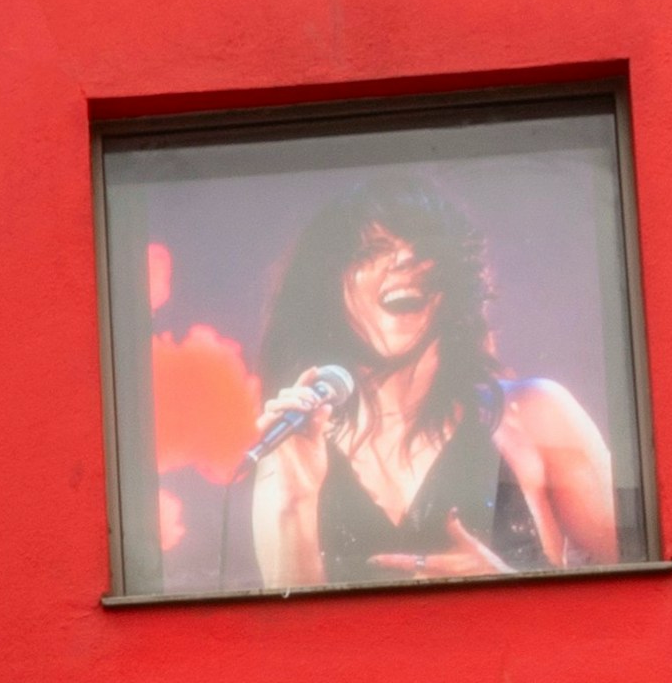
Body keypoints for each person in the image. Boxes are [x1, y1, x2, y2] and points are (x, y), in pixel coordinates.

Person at [238, 187, 629, 592]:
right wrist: (295, 495)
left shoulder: (537, 415)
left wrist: (505, 589)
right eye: (370, 251)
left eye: (423, 247)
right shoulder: (291, 451)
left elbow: (637, 598)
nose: (404, 260)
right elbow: (293, 641)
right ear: (329, 289)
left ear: (453, 282)